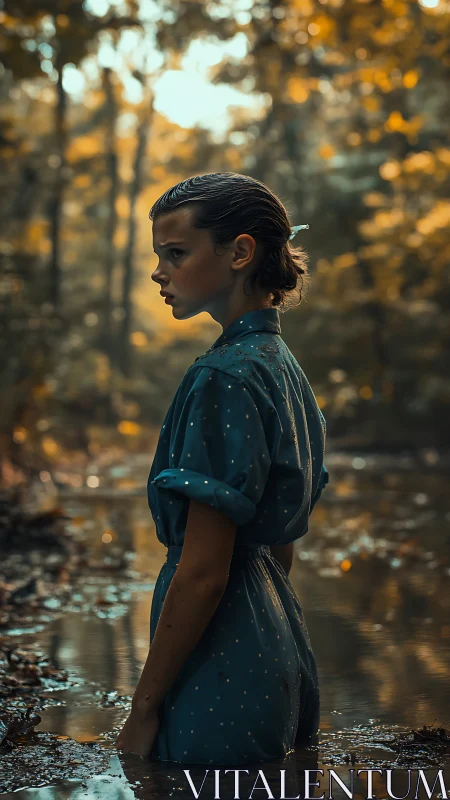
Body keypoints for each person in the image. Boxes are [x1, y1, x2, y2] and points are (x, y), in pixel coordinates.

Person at [115, 172, 329, 765]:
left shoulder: (223, 377)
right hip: (281, 644)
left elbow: (204, 572)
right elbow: (282, 544)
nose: (159, 272)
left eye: (175, 253)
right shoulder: (282, 366)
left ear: (239, 253)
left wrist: (143, 709)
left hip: (222, 663)